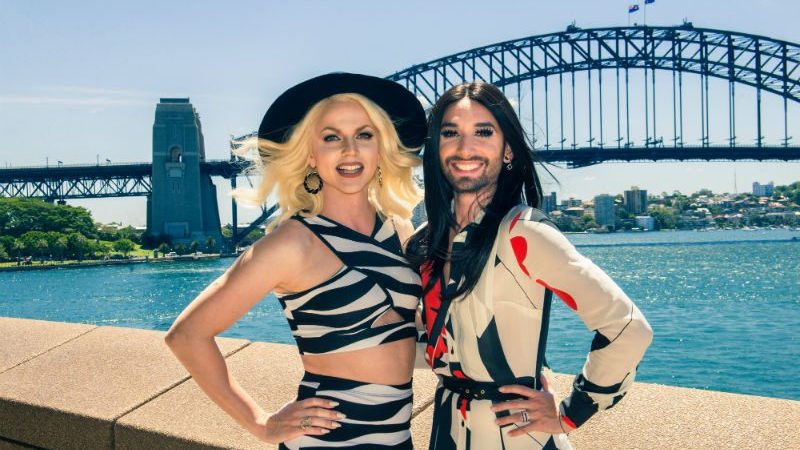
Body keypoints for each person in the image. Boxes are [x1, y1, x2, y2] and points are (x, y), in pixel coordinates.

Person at [165, 72, 427, 449]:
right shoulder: (291, 243)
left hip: (397, 439)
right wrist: (260, 423)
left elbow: (406, 336)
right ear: (309, 153)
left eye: (364, 135)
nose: (350, 150)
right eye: (331, 137)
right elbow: (187, 336)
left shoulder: (398, 230)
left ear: (382, 147)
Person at [406, 82, 653, 450]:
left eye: (484, 132)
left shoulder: (523, 232)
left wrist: (572, 411)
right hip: (447, 431)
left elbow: (627, 327)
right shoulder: (424, 242)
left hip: (518, 437)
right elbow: (429, 348)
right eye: (450, 133)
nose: (465, 147)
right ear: (436, 148)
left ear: (508, 150)